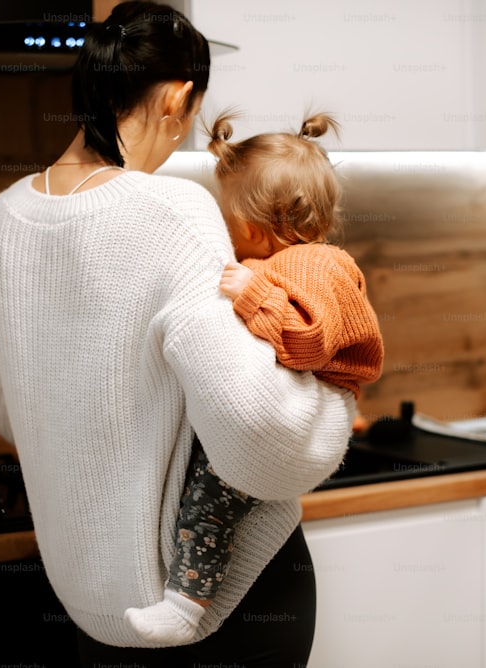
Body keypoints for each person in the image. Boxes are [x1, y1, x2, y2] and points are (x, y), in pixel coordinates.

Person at [0, 2, 355, 665]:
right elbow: (259, 431)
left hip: (90, 599)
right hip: (221, 598)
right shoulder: (176, 211)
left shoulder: (3, 218)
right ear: (179, 96)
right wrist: (338, 393)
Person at [124, 111, 384, 644]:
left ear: (254, 224)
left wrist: (250, 292)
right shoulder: (287, 262)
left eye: (225, 212)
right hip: (286, 403)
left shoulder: (320, 265)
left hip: (308, 405)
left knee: (208, 504)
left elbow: (309, 341)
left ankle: (185, 606)